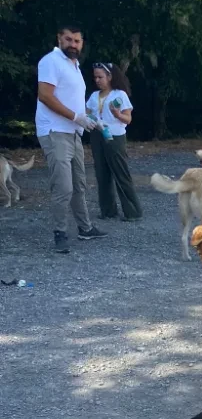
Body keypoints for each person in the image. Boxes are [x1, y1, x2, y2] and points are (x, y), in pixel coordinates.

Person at [36, 23, 107, 253]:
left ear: (82, 43)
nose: (73, 44)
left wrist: (91, 118)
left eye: (77, 41)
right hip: (55, 131)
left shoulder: (74, 66)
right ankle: (60, 233)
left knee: (79, 184)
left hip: (74, 132)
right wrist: (76, 117)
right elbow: (45, 96)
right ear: (59, 39)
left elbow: (74, 102)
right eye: (68, 40)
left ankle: (85, 228)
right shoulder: (51, 61)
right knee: (64, 186)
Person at [86, 62, 142, 221]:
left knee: (120, 172)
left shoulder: (120, 95)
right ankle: (108, 210)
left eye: (100, 77)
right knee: (101, 173)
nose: (97, 80)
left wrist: (117, 114)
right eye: (95, 77)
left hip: (115, 136)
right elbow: (87, 112)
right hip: (97, 135)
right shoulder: (94, 96)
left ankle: (133, 212)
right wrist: (90, 119)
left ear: (109, 77)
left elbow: (128, 119)